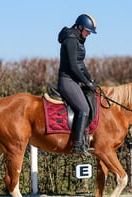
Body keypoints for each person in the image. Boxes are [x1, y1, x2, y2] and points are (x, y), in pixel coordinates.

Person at [57, 14, 97, 154]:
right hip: (67, 80)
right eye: (87, 31)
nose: (89, 34)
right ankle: (78, 145)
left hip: (74, 80)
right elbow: (74, 67)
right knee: (84, 109)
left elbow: (81, 65)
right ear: (79, 27)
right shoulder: (71, 41)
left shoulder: (78, 40)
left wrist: (90, 80)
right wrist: (85, 82)